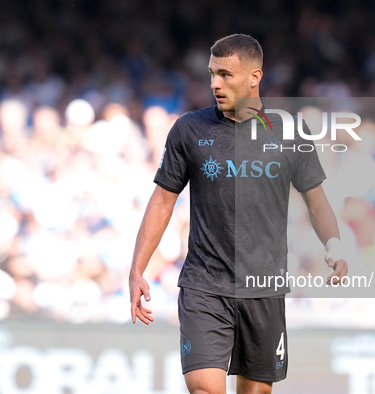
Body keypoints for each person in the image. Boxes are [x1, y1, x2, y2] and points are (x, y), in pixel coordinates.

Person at [129, 33, 348, 394]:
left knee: (257, 391)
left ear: (254, 77)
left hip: (264, 288)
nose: (215, 83)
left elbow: (316, 200)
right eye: (212, 73)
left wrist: (334, 245)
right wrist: (138, 268)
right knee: (205, 389)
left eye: (226, 74)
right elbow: (163, 200)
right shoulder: (189, 129)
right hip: (204, 284)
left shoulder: (289, 131)